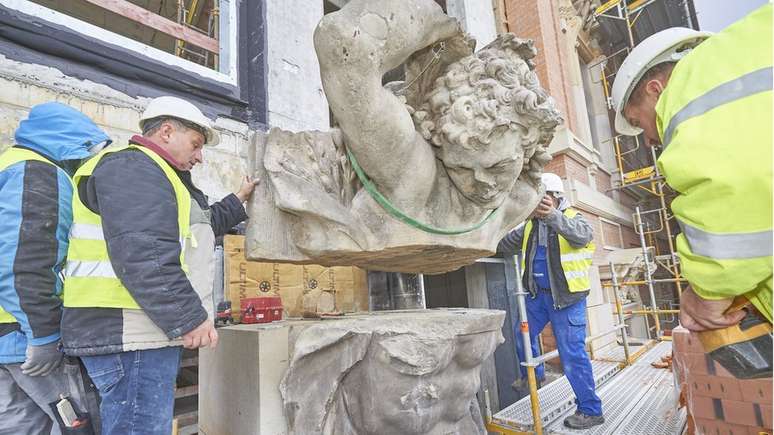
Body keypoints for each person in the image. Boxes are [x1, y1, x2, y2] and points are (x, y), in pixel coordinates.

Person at [60, 96, 258, 434]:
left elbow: (201, 226)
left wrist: (238, 199)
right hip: (130, 335)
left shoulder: (160, 176)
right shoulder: (135, 169)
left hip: (140, 332)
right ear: (166, 131)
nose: (200, 156)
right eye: (196, 144)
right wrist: (190, 318)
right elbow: (144, 254)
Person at [610, 4, 772, 330]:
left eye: (637, 121)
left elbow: (737, 189)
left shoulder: (691, 96)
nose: (648, 140)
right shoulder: (751, 50)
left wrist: (707, 293)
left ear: (656, 91)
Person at [0, 102, 110, 434]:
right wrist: (44, 335)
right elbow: (27, 260)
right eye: (87, 150)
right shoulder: (39, 173)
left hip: (8, 338)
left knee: (20, 426)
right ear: (68, 142)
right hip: (26, 338)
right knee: (76, 425)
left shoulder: (8, 166)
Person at [498, 172, 601, 429]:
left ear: (555, 197)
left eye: (541, 199)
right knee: (522, 335)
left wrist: (551, 216)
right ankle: (535, 376)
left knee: (572, 355)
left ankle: (590, 409)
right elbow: (503, 245)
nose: (536, 205)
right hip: (538, 298)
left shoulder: (573, 219)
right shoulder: (530, 226)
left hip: (566, 301)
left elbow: (582, 237)